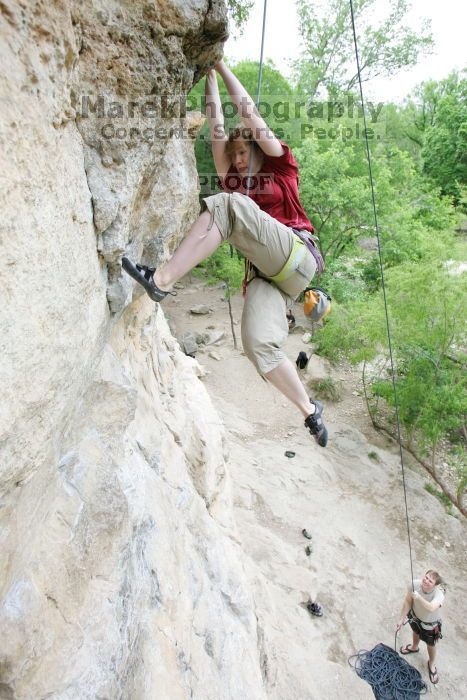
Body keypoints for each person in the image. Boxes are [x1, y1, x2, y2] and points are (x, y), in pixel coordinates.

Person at [122, 60, 328, 447]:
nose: (235, 159)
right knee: (257, 344)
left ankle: (161, 280)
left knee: (229, 204)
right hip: (274, 279)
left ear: (256, 148)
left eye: (242, 152)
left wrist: (221, 64)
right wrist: (209, 79)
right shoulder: (236, 184)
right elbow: (216, 127)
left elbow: (247, 111)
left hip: (298, 255)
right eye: (232, 155)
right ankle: (309, 411)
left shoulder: (282, 166)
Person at [396, 570, 445, 685]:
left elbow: (432, 608)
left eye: (430, 580)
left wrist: (418, 598)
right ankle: (414, 647)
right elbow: (408, 601)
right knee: (415, 632)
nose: (426, 581)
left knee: (431, 645)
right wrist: (401, 619)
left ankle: (431, 663)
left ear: (435, 585)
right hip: (415, 617)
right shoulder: (414, 584)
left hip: (430, 625)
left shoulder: (439, 594)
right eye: (426, 577)